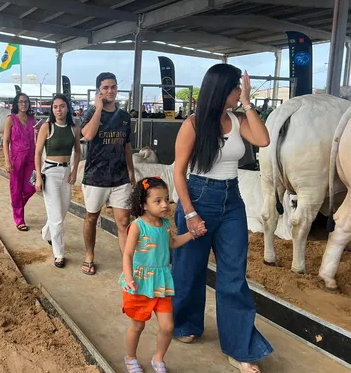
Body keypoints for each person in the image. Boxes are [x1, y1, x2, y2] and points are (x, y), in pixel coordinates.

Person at [172, 64, 273, 373]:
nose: (238, 93)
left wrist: (246, 103)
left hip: (232, 201)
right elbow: (178, 171)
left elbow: (263, 140)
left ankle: (239, 346)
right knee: (189, 269)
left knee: (233, 275)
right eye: (234, 89)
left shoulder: (237, 119)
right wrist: (189, 213)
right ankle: (185, 323)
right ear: (221, 90)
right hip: (198, 196)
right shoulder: (194, 123)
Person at [120, 177, 206, 373]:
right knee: (138, 326)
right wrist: (129, 277)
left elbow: (172, 243)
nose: (165, 204)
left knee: (168, 327)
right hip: (140, 283)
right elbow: (128, 253)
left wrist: (193, 234)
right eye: (157, 201)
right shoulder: (137, 226)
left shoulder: (166, 224)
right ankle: (131, 357)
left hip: (161, 282)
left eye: (166, 199)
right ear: (144, 204)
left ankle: (158, 358)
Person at [80, 72, 135, 275]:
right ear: (98, 91)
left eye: (113, 87)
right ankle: (89, 256)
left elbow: (127, 146)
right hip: (96, 177)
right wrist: (98, 109)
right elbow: (88, 135)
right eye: (105, 87)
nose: (110, 91)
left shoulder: (124, 117)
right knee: (92, 217)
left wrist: (131, 172)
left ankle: (127, 265)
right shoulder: (90, 113)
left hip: (120, 178)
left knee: (123, 222)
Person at [34, 94, 81, 268]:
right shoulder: (47, 127)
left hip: (66, 171)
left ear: (67, 108)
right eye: (55, 107)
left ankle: (46, 233)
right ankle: (59, 253)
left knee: (61, 212)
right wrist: (39, 176)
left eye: (62, 106)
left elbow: (78, 151)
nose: (58, 110)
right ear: (52, 109)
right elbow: (38, 153)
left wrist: (75, 170)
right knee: (57, 217)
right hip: (50, 172)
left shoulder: (73, 128)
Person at [3, 93, 37, 232]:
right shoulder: (11, 119)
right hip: (16, 159)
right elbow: (5, 141)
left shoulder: (32, 119)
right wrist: (7, 160)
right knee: (16, 189)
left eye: (26, 102)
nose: (24, 104)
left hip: (31, 158)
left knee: (32, 186)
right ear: (16, 103)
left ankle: (17, 205)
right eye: (21, 102)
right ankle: (19, 219)